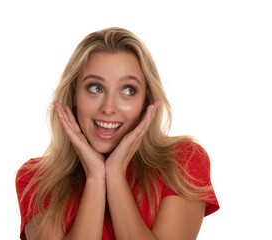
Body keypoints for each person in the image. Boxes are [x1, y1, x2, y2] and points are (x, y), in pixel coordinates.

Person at [16, 27, 219, 240]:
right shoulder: (36, 179)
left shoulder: (182, 162)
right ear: (74, 95)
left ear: (145, 101)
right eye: (95, 88)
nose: (109, 108)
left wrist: (115, 175)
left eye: (128, 90)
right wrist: (95, 177)